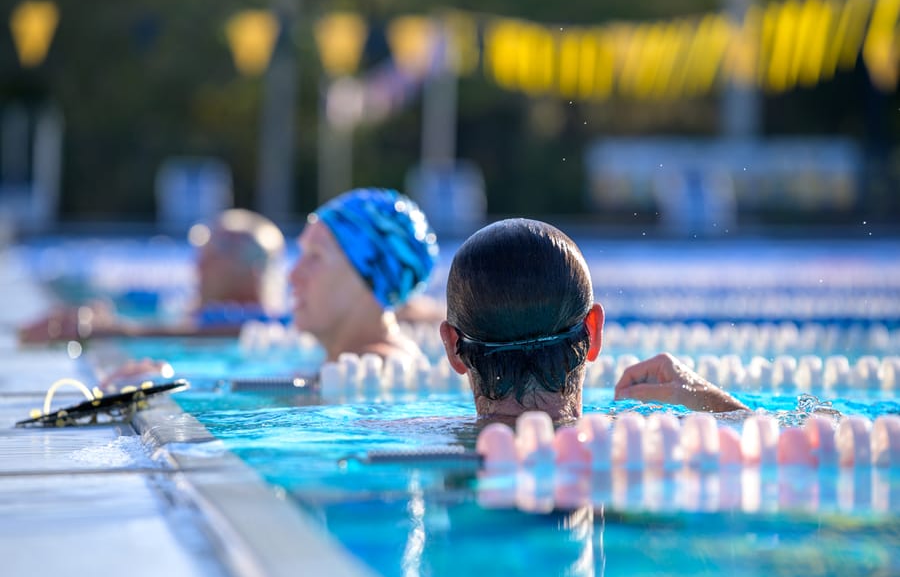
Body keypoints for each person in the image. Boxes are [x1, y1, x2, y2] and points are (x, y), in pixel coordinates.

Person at [439, 218, 748, 421]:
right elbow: (791, 444)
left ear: (453, 346)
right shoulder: (648, 441)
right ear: (594, 332)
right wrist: (714, 403)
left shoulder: (412, 441)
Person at [18, 208, 287, 343]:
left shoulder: (268, 322)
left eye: (211, 258)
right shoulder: (182, 307)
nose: (197, 268)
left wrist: (116, 330)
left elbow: (224, 329)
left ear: (252, 270)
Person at [289, 187, 439, 362]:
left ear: (369, 278)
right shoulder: (347, 365)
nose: (293, 275)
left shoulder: (376, 374)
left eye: (315, 256)